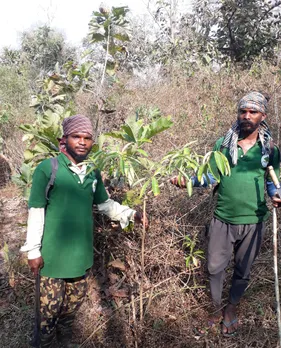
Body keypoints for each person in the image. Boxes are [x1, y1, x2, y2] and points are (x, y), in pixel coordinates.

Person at [21, 114, 148, 348]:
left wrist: (132, 214)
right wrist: (33, 251)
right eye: (76, 137)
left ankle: (65, 343)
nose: (82, 142)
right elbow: (36, 209)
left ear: (92, 143)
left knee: (69, 313)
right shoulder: (48, 169)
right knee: (47, 317)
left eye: (87, 138)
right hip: (51, 260)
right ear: (63, 141)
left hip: (80, 259)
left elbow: (105, 205)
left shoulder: (92, 173)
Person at [171, 91, 281, 337]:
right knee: (214, 268)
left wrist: (277, 195)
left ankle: (230, 309)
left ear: (263, 115)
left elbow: (273, 182)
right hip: (223, 219)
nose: (247, 116)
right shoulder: (223, 145)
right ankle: (215, 308)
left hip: (254, 221)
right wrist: (187, 181)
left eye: (253, 112)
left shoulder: (270, 150)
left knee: (243, 270)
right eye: (243, 111)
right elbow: (211, 176)